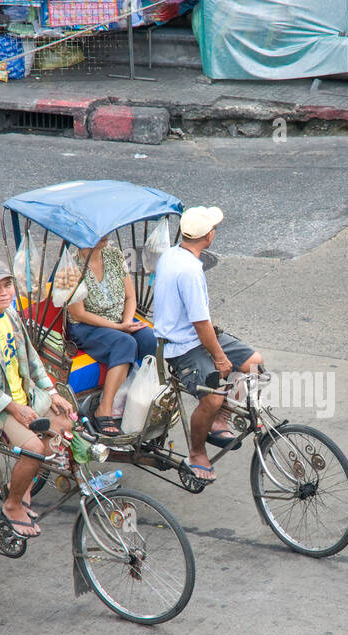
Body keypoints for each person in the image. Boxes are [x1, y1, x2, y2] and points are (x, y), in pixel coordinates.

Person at [0, 260, 77, 536]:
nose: (4, 292)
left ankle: (26, 488)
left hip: (25, 395)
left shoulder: (10, 314)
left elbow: (31, 358)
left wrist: (52, 393)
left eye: (7, 285)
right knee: (34, 448)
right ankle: (12, 504)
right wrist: (14, 408)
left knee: (66, 423)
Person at [152, 206, 262, 483]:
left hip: (198, 335)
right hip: (181, 346)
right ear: (208, 236)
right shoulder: (189, 270)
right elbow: (201, 324)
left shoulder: (173, 253)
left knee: (255, 365)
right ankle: (197, 452)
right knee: (213, 396)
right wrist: (221, 358)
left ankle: (219, 418)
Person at [65, 236, 157, 437]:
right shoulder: (71, 267)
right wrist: (119, 327)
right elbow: (78, 313)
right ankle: (104, 409)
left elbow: (130, 296)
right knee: (125, 343)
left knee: (148, 337)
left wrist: (127, 322)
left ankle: (138, 397)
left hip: (120, 319)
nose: (106, 235)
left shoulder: (114, 255)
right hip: (87, 326)